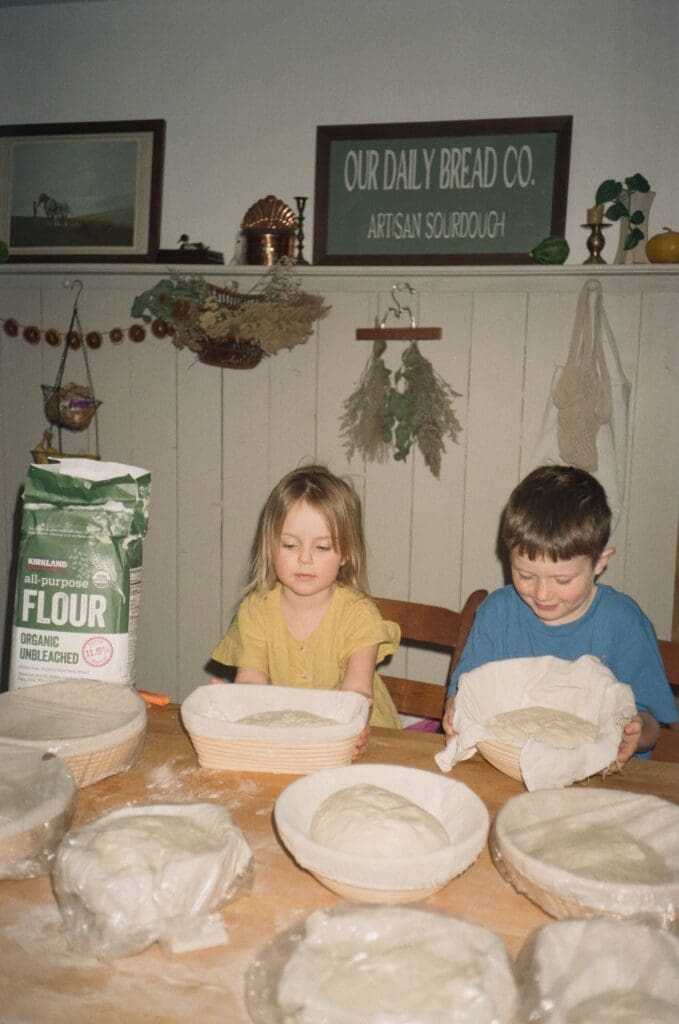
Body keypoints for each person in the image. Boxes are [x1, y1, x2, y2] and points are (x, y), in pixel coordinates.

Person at [442, 465, 677, 765]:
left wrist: (637, 731)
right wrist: (455, 712)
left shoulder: (623, 623)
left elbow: (652, 725)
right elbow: (464, 697)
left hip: (600, 781)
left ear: (599, 563)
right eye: (525, 575)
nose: (542, 594)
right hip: (505, 769)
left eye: (562, 581)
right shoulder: (496, 615)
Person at [210, 465, 402, 746]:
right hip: (292, 737)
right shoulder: (256, 610)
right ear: (270, 545)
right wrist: (239, 703)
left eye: (322, 547)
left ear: (347, 552)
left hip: (361, 736)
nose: (305, 559)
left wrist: (346, 733)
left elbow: (357, 693)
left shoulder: (359, 615)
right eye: (289, 545)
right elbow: (252, 679)